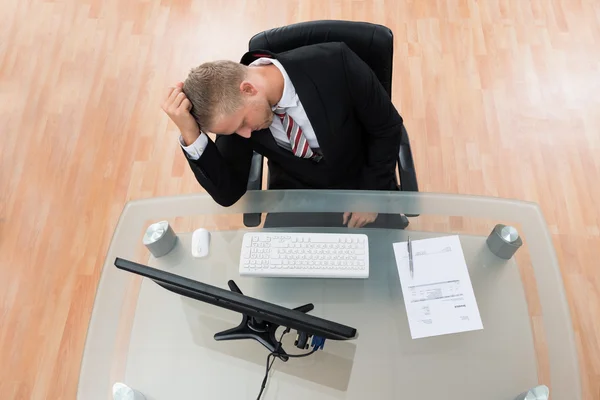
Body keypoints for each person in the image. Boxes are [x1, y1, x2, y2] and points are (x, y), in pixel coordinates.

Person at [162, 42, 405, 228]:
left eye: (244, 123)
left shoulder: (336, 63)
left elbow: (386, 128)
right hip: (296, 194)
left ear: (248, 89)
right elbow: (228, 193)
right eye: (235, 130)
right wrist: (191, 133)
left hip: (362, 179)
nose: (244, 135)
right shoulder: (233, 116)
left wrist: (371, 195)